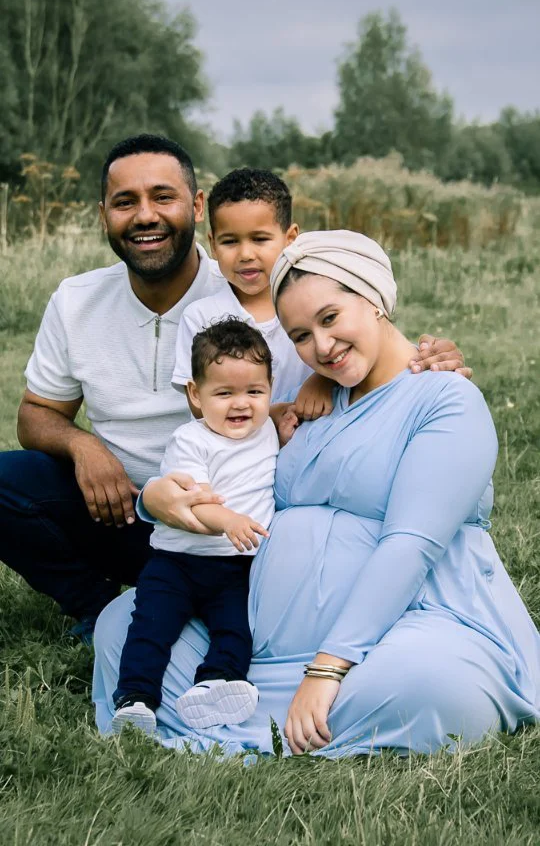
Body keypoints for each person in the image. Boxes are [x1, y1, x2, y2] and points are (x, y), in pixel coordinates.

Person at [0, 132, 468, 642]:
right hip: (126, 508)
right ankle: (95, 603)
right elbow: (35, 413)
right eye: (124, 202)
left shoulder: (262, 288)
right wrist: (82, 445)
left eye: (163, 197)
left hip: (242, 514)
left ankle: (204, 601)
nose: (145, 216)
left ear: (196, 206)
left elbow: (353, 336)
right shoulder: (76, 300)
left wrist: (428, 359)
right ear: (103, 213)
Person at [93, 230, 540, 757]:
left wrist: (328, 668)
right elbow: (224, 467)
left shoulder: (445, 400)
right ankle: (254, 702)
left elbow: (411, 545)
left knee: (431, 683)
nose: (320, 347)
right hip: (261, 625)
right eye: (300, 335)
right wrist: (156, 500)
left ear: (373, 297)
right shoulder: (301, 403)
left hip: (408, 622)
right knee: (119, 625)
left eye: (330, 319)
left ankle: (307, 702)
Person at [112, 319, 278, 735]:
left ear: (270, 390)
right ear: (195, 395)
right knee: (151, 628)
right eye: (224, 393)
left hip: (235, 568)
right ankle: (136, 699)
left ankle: (215, 684)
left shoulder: (268, 429)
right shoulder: (191, 441)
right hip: (177, 563)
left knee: (237, 631)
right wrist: (232, 521)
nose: (241, 404)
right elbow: (194, 506)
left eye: (254, 392)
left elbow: (283, 412)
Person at [174, 167, 333, 414]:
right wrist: (271, 417)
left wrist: (322, 380)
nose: (246, 255)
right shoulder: (200, 318)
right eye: (230, 242)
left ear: (290, 238)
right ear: (213, 244)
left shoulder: (317, 303)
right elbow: (200, 408)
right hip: (234, 449)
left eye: (259, 239)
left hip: (310, 439)